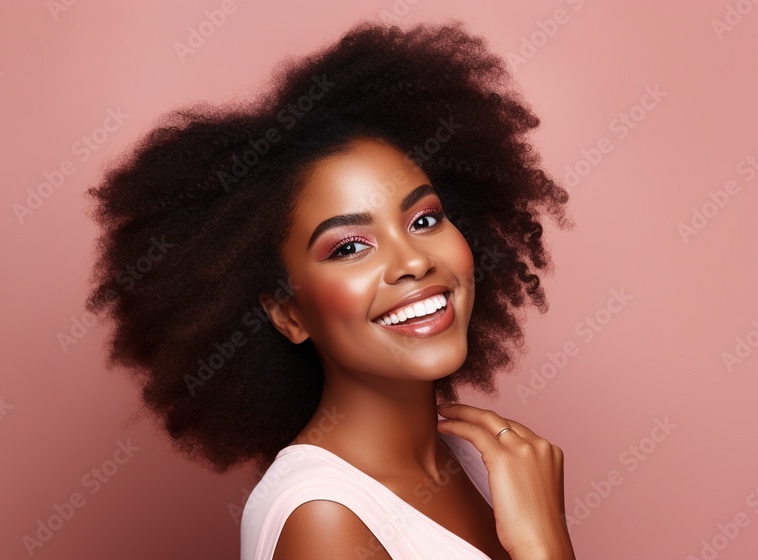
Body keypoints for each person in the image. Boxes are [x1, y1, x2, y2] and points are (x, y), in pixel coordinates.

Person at [85, 18, 575, 560]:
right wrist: (547, 546)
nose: (413, 261)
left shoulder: (484, 465)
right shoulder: (323, 522)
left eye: (424, 220)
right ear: (288, 313)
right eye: (349, 247)